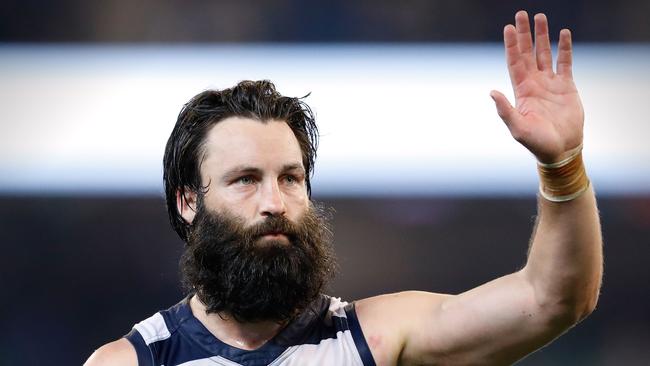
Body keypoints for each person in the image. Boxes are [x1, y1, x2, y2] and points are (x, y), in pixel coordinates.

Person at [85, 10, 602, 366]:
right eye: (245, 180)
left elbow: (554, 298)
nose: (275, 203)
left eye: (290, 179)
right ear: (189, 201)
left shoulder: (375, 339)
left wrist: (562, 165)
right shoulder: (134, 360)